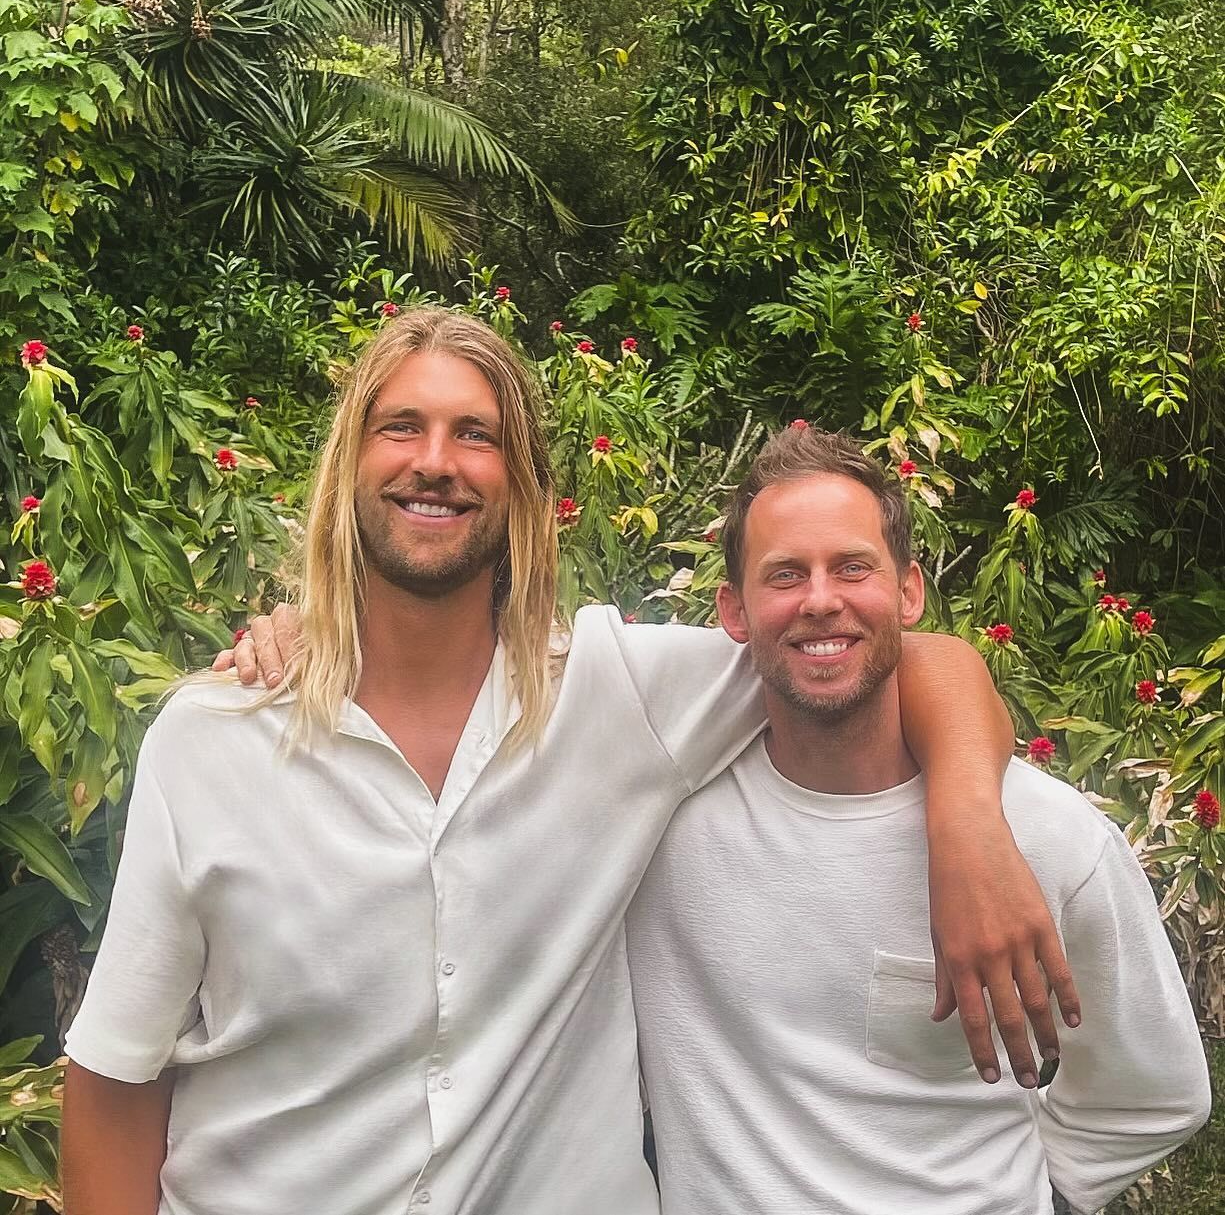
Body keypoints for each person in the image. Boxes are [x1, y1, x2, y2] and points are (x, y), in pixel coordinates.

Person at [61, 309, 1077, 1215]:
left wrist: (967, 830)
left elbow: (900, 655)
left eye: (477, 434)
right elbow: (115, 1074)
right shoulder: (213, 740)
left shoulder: (616, 697)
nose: (436, 460)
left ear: (525, 488)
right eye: (401, 425)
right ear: (348, 467)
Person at [625, 428, 1211, 1215]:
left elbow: (1151, 1094)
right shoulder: (663, 814)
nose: (821, 599)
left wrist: (1034, 1196)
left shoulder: (1046, 838)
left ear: (908, 592)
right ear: (732, 608)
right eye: (785, 574)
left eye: (852, 566)